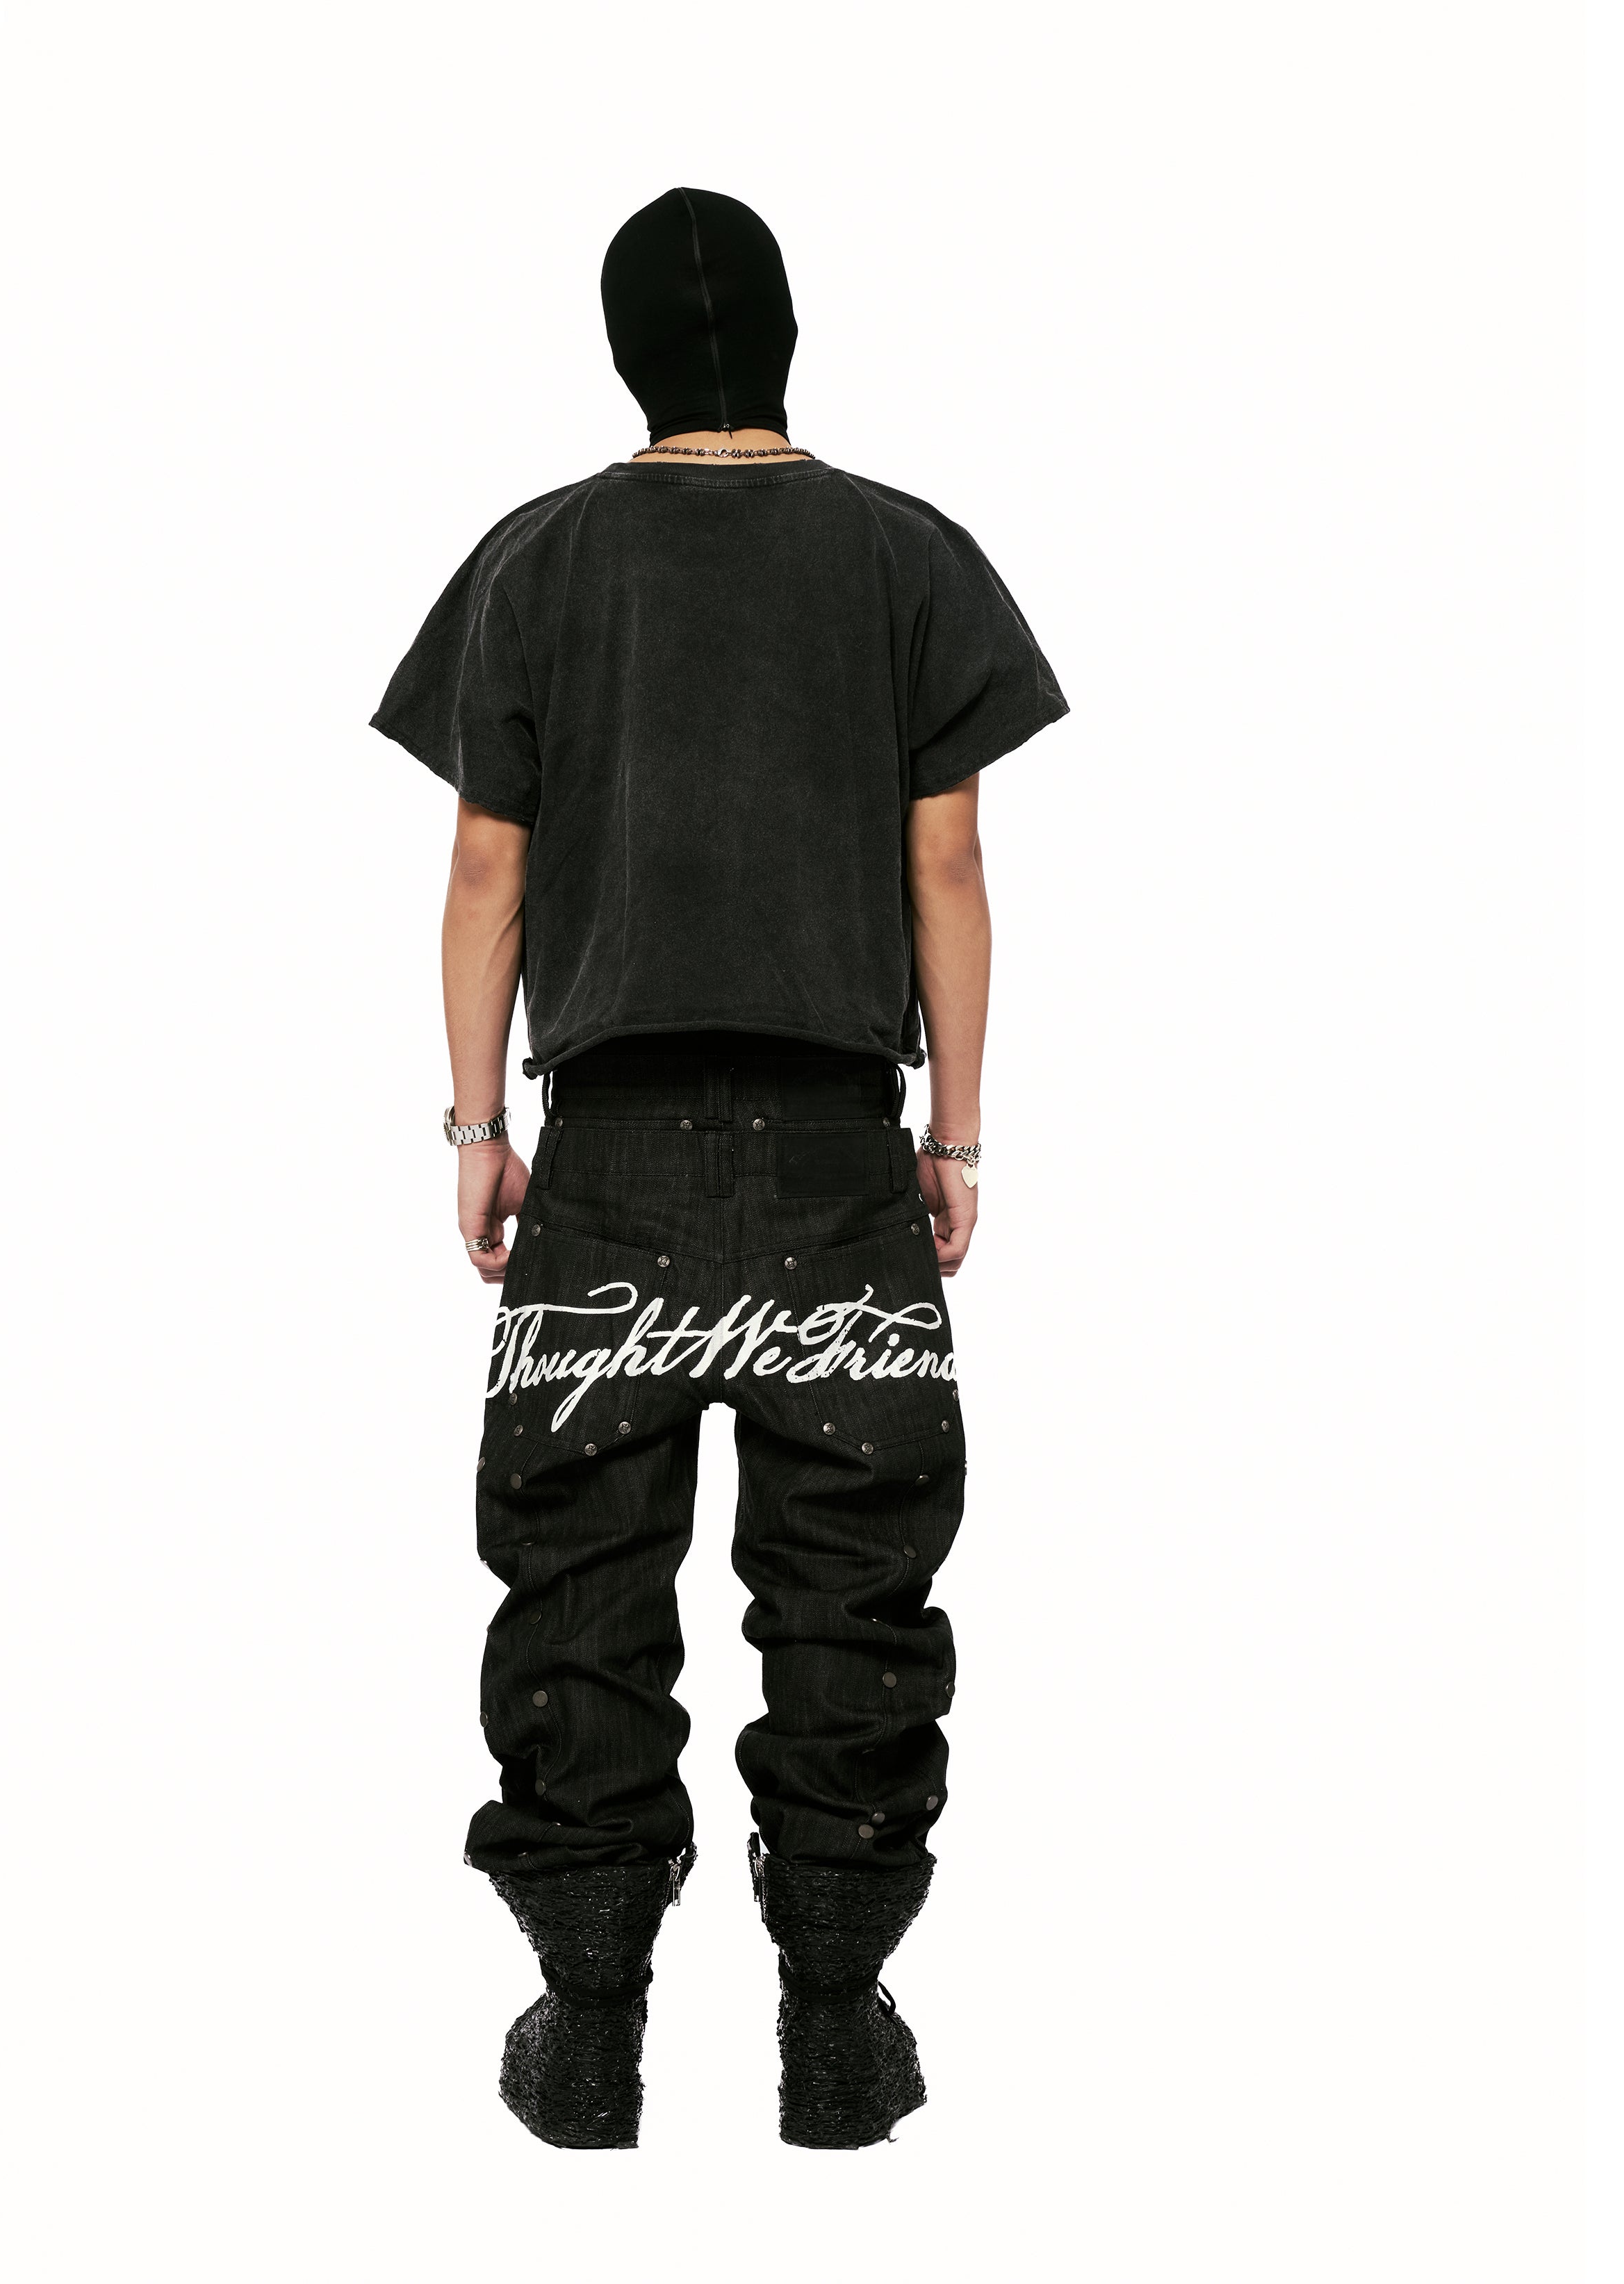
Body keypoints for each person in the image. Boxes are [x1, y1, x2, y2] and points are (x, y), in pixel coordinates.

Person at [371, 186, 1067, 2149]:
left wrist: (479, 1128)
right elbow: (949, 864)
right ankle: (837, 2021)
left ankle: (587, 2017)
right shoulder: (910, 556)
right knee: (854, 1582)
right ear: (785, 339)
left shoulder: (535, 559)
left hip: (604, 1154)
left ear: (626, 359)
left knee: (579, 1568)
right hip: (843, 1155)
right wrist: (955, 1135)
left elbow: (486, 868)